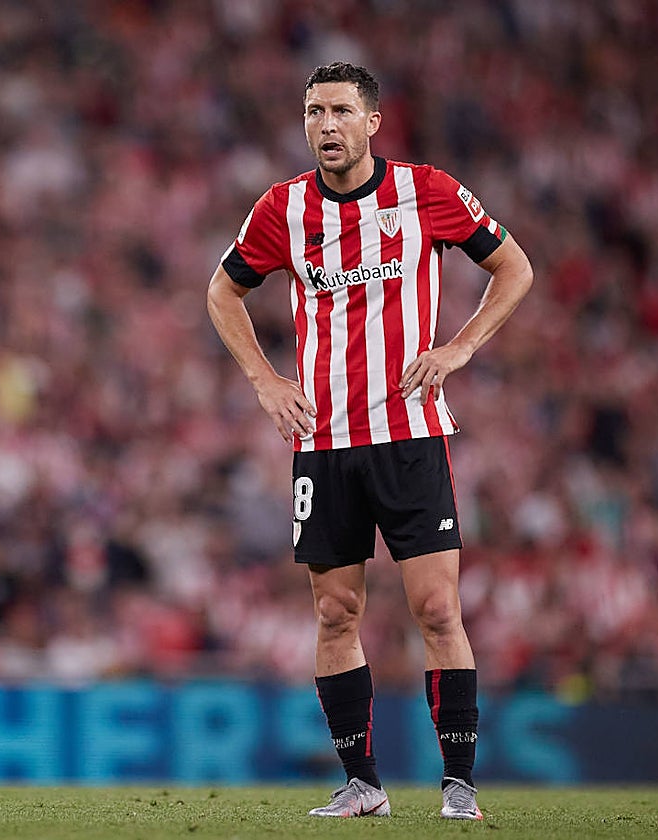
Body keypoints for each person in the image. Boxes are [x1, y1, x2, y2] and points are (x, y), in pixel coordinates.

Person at [206, 61, 533, 820]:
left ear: (373, 121)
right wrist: (263, 379)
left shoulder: (429, 192)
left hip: (410, 434)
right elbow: (223, 290)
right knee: (333, 613)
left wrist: (459, 350)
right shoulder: (281, 210)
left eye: (341, 111)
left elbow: (514, 267)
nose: (326, 125)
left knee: (437, 609)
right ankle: (364, 785)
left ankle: (458, 786)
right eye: (314, 111)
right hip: (322, 443)